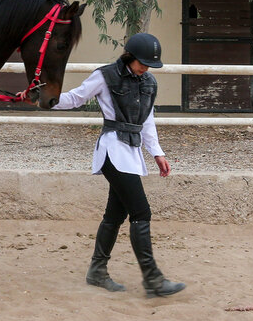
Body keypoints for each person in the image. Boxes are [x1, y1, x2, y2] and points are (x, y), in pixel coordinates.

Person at [52, 33, 186, 298]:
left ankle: (97, 271)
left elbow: (147, 121)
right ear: (130, 56)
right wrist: (46, 99)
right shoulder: (105, 76)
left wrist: (157, 153)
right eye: (142, 63)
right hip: (113, 150)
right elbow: (76, 98)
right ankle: (153, 279)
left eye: (149, 65)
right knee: (141, 212)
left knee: (115, 215)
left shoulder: (148, 82)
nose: (145, 68)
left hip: (132, 153)